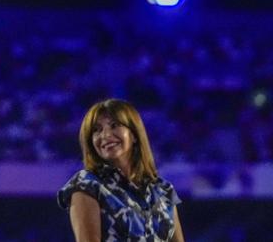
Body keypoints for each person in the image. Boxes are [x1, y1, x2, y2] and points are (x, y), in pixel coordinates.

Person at [58, 98, 185, 242]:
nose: (105, 135)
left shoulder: (163, 190)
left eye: (114, 125)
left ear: (134, 134)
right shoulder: (87, 185)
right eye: (96, 130)